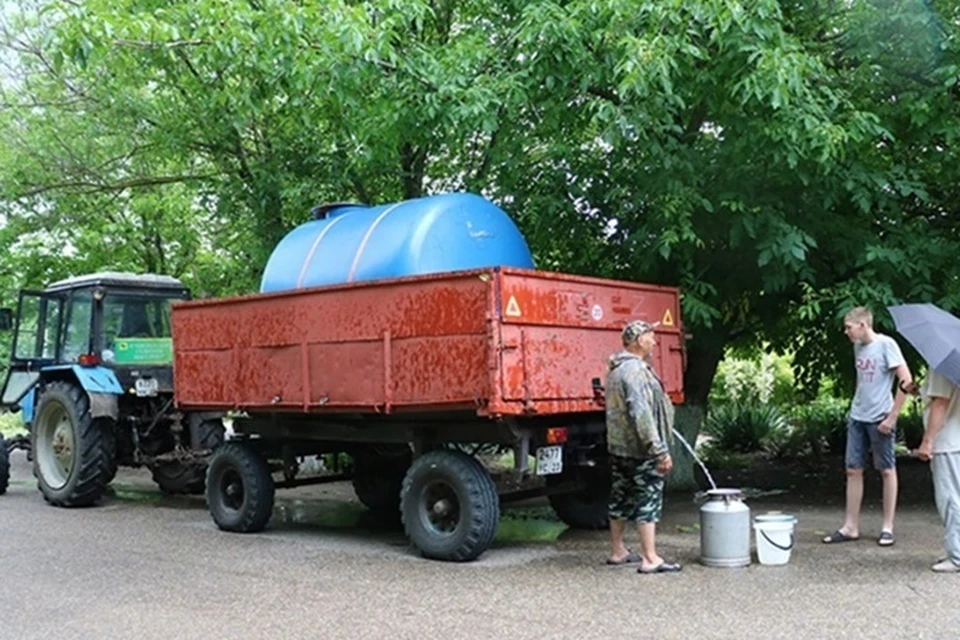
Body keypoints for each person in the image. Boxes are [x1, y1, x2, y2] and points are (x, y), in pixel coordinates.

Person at [823, 306, 913, 547]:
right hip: (858, 416)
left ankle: (887, 527)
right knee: (853, 469)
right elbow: (863, 381)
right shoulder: (857, 346)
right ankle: (850, 526)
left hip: (880, 417)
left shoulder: (886, 345)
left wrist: (893, 416)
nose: (846, 332)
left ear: (863, 325)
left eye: (849, 327)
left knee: (886, 469)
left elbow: (907, 381)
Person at [604, 319, 680, 574]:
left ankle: (617, 551)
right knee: (648, 498)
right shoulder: (635, 371)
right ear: (638, 340)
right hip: (640, 449)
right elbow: (642, 413)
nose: (654, 341)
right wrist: (658, 450)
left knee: (620, 497)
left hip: (619, 447)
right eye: (650, 337)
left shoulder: (616, 369)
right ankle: (650, 558)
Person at [916, 371, 960, 572]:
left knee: (950, 500)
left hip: (947, 441)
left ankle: (957, 555)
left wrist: (928, 441)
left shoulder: (942, 366)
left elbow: (941, 403)